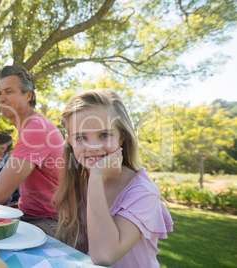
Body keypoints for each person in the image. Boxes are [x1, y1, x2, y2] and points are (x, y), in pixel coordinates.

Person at [55, 89, 173, 267]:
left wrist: (96, 178)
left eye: (104, 135)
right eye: (81, 137)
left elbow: (104, 256)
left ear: (121, 137)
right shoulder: (80, 181)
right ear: (70, 141)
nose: (93, 147)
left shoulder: (142, 191)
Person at [0, 65, 64, 237]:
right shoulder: (30, 127)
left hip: (51, 222)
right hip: (29, 215)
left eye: (9, 91)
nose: (2, 98)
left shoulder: (36, 129)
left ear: (28, 96)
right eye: (0, 93)